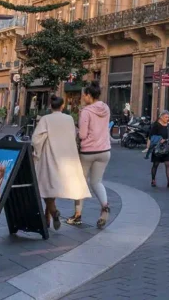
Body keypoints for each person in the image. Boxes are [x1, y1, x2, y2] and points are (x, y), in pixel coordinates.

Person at [32, 96, 90, 231]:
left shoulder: (46, 119)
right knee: (51, 188)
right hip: (66, 157)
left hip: (49, 155)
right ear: (62, 106)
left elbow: (36, 139)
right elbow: (74, 135)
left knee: (44, 187)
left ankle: (53, 212)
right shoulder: (69, 119)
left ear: (50, 106)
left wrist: (37, 152)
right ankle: (50, 215)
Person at [72, 84, 112, 228]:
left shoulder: (86, 111)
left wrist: (76, 131)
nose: (83, 97)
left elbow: (82, 135)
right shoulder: (106, 108)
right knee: (97, 182)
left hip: (88, 151)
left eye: (84, 95)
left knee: (80, 182)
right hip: (105, 150)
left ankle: (77, 215)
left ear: (89, 95)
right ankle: (105, 207)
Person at [148, 111, 169, 188]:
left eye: (168, 117)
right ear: (161, 117)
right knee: (156, 164)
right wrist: (159, 140)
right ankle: (153, 180)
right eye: (166, 117)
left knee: (168, 164)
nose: (167, 119)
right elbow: (151, 136)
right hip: (158, 147)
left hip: (167, 147)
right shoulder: (156, 125)